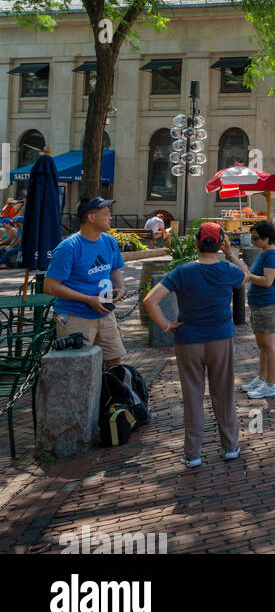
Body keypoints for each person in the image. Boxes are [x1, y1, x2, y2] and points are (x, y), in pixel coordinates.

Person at [143, 223, 251, 466]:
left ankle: (193, 454)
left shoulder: (183, 271)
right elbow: (246, 275)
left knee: (192, 397)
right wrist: (231, 254)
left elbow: (150, 300)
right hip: (221, 338)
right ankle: (231, 446)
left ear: (196, 244)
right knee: (223, 394)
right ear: (220, 243)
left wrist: (166, 325)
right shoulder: (227, 270)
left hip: (188, 339)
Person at [44, 197, 128, 366]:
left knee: (115, 363)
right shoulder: (68, 248)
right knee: (78, 367)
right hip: (74, 316)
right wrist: (88, 300)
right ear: (91, 217)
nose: (110, 217)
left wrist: (121, 287)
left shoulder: (109, 241)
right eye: (106, 213)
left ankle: (110, 393)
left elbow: (114, 269)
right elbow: (50, 286)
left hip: (105, 313)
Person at [243, 220, 275, 398]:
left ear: (267, 238)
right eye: (252, 238)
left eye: (256, 238)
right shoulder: (263, 252)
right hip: (259, 305)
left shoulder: (271, 256)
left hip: (267, 305)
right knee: (262, 346)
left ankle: (270, 384)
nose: (253, 241)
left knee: (269, 346)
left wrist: (249, 276)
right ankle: (262, 378)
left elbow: (267, 281)